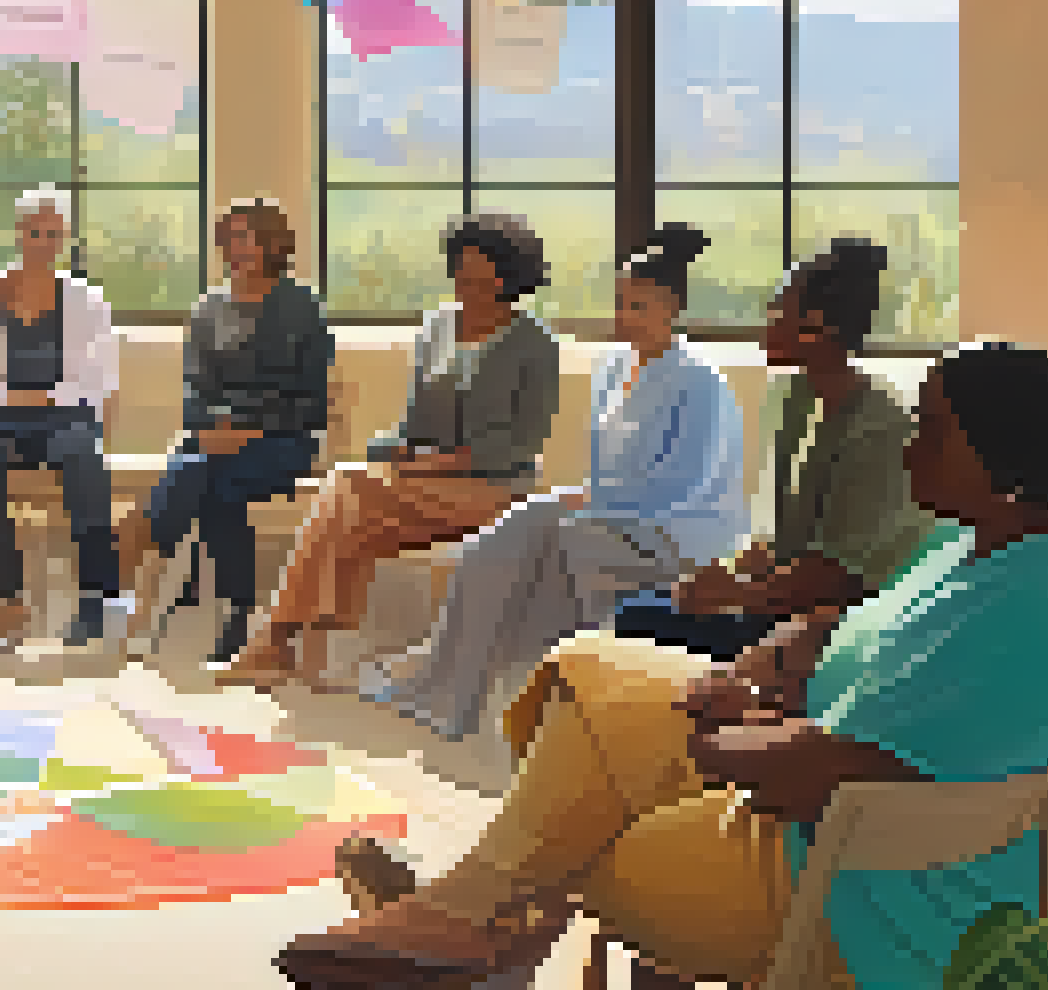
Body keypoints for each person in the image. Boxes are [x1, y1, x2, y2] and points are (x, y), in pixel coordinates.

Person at [274, 342, 1048, 990]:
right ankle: (478, 910)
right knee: (593, 668)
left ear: (1002, 462)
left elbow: (828, 776)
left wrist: (726, 739)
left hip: (894, 894)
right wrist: (780, 652)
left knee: (591, 832)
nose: (912, 446)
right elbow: (865, 625)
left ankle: (489, 912)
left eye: (935, 432)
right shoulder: (1000, 539)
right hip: (841, 796)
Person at [359, 224, 749, 738]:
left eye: (639, 307)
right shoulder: (612, 368)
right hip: (606, 516)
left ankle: (516, 702)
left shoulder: (701, 382)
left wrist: (587, 502)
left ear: (672, 310)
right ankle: (446, 687)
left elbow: (681, 489)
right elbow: (601, 466)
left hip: (676, 534)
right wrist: (579, 498)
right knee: (500, 542)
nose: (624, 319)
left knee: (555, 542)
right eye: (620, 304)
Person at [217, 214, 559, 690]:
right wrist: (390, 449)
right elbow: (414, 421)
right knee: (348, 516)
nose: (467, 286)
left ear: (510, 280)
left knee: (346, 497)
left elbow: (523, 442)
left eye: (481, 278)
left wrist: (446, 461)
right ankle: (309, 659)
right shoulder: (437, 327)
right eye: (461, 272)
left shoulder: (536, 345)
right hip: (422, 484)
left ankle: (273, 645)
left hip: (493, 489)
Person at [623, 237, 938, 651]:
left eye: (778, 310)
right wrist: (726, 573)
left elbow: (838, 576)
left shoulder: (879, 429)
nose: (765, 320)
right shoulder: (792, 395)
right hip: (783, 600)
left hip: (842, 626)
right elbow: (777, 540)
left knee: (638, 625)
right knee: (634, 609)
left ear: (817, 328)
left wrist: (734, 595)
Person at [116, 199, 334, 667]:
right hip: (213, 439)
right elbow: (193, 391)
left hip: (283, 440)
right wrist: (214, 426)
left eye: (249, 238)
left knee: (215, 479)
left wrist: (244, 427)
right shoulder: (208, 308)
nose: (238, 249)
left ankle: (145, 537)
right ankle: (238, 617)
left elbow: (310, 401)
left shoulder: (304, 308)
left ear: (274, 245)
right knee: (209, 471)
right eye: (231, 239)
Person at [0, 185, 123, 651]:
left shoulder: (88, 301)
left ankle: (93, 601)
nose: (43, 242)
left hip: (64, 417)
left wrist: (44, 398)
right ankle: (11, 601)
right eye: (34, 231)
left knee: (85, 458)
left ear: (63, 238)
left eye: (52, 233)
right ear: (18, 234)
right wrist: (18, 398)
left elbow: (99, 379)